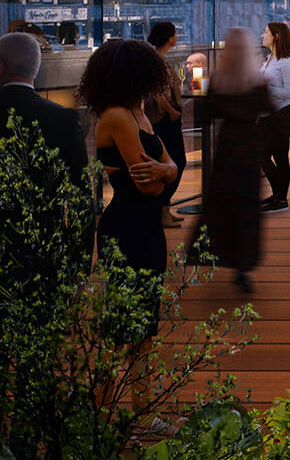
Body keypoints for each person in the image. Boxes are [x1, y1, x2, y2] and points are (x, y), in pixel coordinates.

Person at [78, 40, 180, 336]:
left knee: (145, 322)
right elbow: (149, 188)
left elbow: (170, 166)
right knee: (126, 325)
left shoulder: (138, 113)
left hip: (146, 226)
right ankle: (118, 384)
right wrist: (167, 172)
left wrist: (167, 171)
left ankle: (137, 383)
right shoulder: (118, 116)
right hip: (127, 227)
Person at [0, 30, 91, 259]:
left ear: (1, 66)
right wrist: (81, 263)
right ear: (36, 68)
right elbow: (82, 197)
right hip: (44, 246)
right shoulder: (63, 119)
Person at [193, 28, 268, 292]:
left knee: (223, 202)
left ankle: (216, 252)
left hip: (227, 148)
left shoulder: (218, 80)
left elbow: (202, 115)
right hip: (249, 147)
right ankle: (244, 266)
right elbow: (268, 108)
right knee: (247, 206)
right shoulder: (256, 81)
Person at [145, 21, 186, 229]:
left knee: (174, 161)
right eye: (175, 33)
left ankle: (164, 209)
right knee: (176, 161)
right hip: (164, 119)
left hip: (166, 117)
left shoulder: (158, 59)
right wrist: (172, 112)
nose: (177, 36)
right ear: (169, 37)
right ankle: (161, 209)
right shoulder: (157, 62)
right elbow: (158, 93)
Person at [258, 22, 290, 213]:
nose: (262, 35)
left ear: (277, 36)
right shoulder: (268, 59)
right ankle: (277, 195)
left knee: (280, 157)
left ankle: (281, 199)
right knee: (262, 155)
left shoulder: (286, 62)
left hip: (281, 115)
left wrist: (266, 87)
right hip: (267, 116)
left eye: (265, 32)